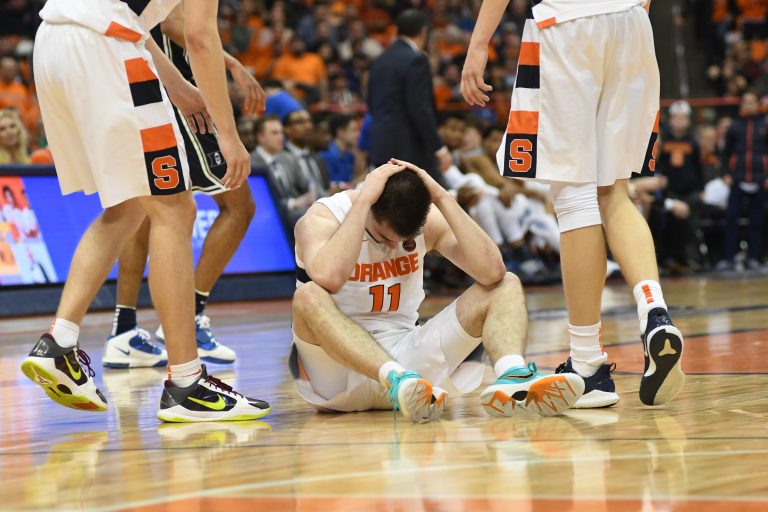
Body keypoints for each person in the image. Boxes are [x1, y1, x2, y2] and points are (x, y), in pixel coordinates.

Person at [21, 0, 270, 422]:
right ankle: (187, 383)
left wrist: (176, 85)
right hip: (105, 45)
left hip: (55, 43)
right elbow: (198, 37)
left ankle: (59, 342)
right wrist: (229, 138)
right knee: (175, 209)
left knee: (131, 204)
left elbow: (134, 20)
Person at [461, 0, 685, 408]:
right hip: (633, 23)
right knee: (613, 189)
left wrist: (479, 44)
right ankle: (655, 312)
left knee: (573, 195)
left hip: (567, 23)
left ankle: (587, 365)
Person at [290, 159, 584, 422]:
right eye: (383, 237)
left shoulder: (425, 220)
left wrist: (442, 197)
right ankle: (393, 377)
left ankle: (513, 379)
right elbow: (329, 278)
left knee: (506, 283)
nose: (392, 247)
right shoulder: (322, 218)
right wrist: (363, 200)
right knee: (308, 295)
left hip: (410, 369)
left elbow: (491, 270)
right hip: (338, 373)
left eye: (403, 240)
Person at [103, 3, 266, 369]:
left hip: (132, 77)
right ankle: (186, 318)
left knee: (145, 208)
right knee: (238, 206)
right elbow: (179, 24)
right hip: (172, 88)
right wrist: (231, 64)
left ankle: (123, 329)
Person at [367, 9, 451, 187]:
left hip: (380, 144)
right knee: (426, 205)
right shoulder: (417, 60)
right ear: (423, 32)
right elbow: (420, 108)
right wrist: (439, 148)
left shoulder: (380, 60)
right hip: (409, 148)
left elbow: (371, 104)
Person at [717, 90, 768, 271]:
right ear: (742, 105)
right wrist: (726, 173)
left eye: (752, 102)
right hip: (737, 180)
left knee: (758, 220)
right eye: (745, 102)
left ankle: (754, 257)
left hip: (760, 180)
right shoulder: (735, 127)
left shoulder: (765, 125)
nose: (749, 105)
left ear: (757, 104)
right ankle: (728, 258)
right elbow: (725, 153)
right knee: (731, 219)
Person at [251, 115, 312, 226]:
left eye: (281, 132)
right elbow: (261, 201)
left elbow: (305, 185)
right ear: (260, 137)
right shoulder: (251, 164)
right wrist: (293, 203)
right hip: (269, 215)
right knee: (307, 218)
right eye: (275, 133)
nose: (281, 137)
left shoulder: (288, 157)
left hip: (297, 211)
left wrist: (311, 193)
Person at [320, 114, 359, 187]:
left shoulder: (349, 155)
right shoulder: (325, 157)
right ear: (340, 132)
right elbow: (333, 187)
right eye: (354, 130)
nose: (358, 134)